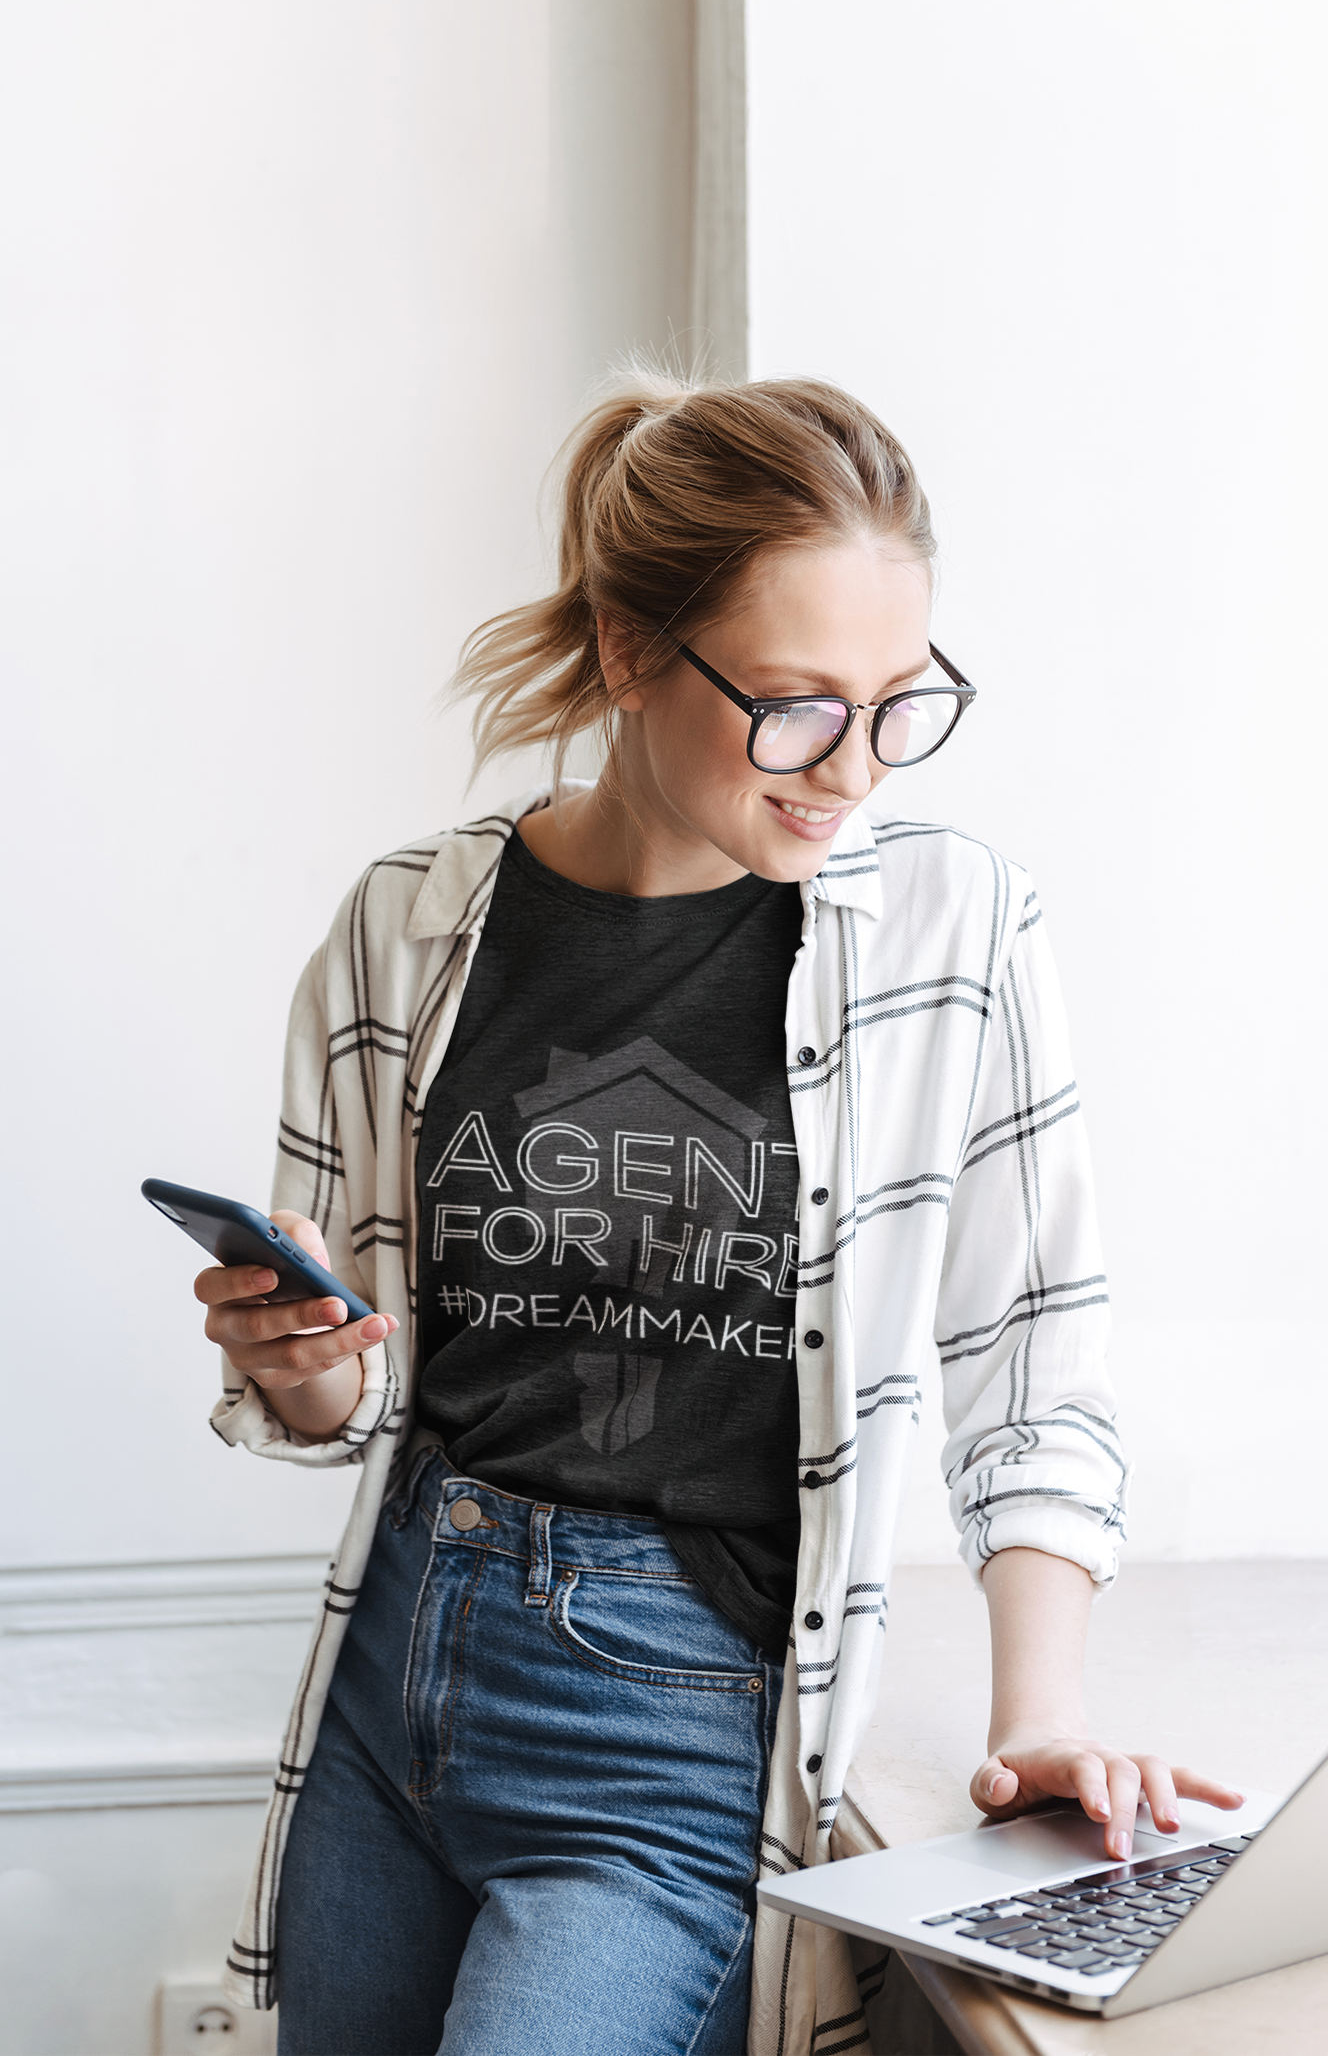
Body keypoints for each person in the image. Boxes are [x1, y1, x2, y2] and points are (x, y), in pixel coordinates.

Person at [196, 372, 1240, 2056]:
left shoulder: (948, 935)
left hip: (671, 1728)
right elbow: (353, 1397)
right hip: (400, 1672)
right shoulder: (410, 923)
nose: (854, 771)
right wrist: (301, 1363)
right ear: (628, 652)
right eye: (796, 706)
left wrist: (1036, 1714)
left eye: (900, 702)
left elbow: (1033, 1366)